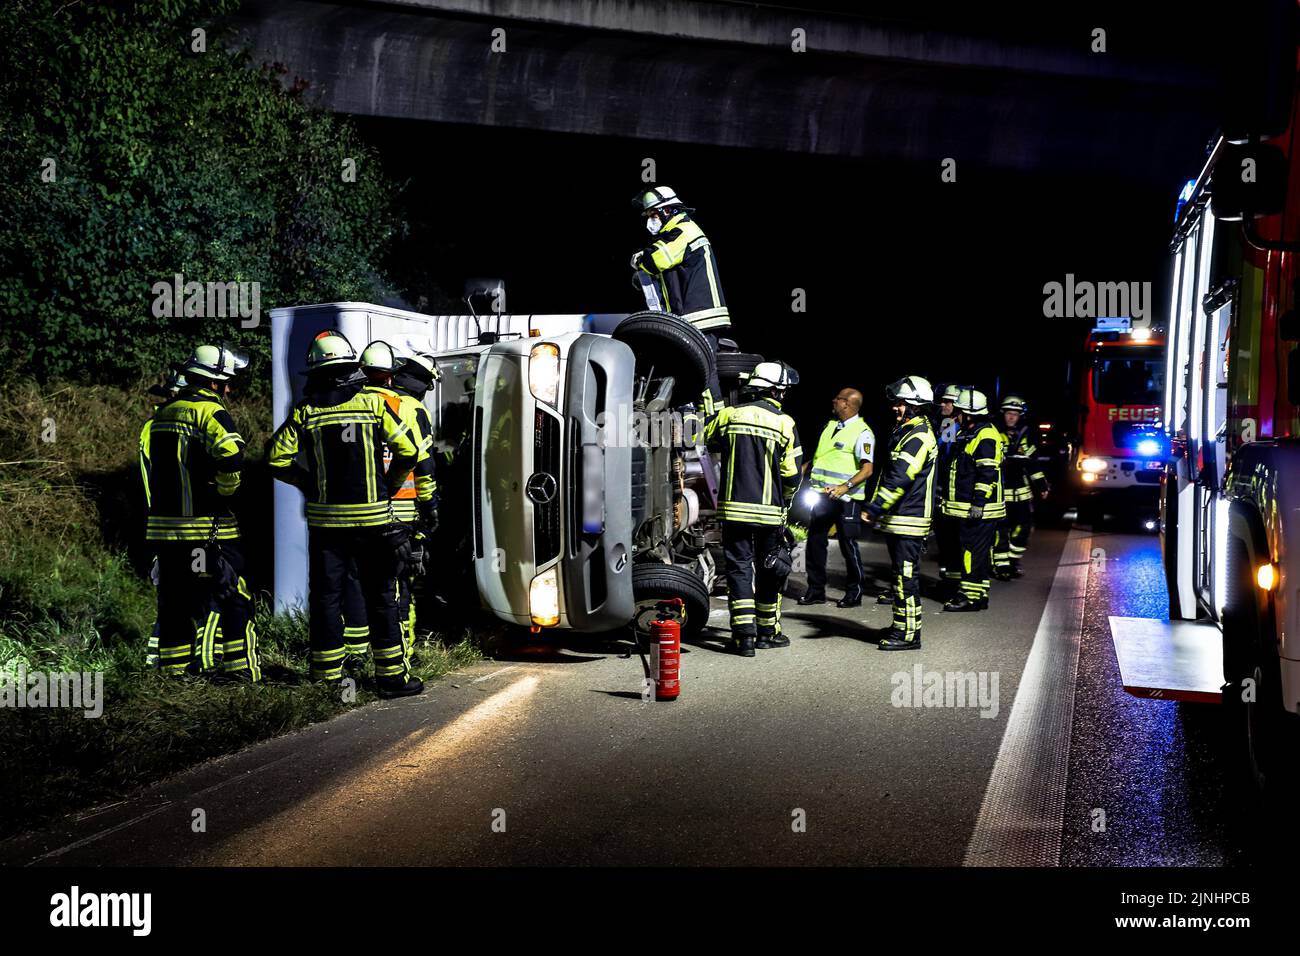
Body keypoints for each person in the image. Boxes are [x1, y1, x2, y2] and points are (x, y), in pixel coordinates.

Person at [267, 330, 423, 698]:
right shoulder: (372, 406)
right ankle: (390, 679)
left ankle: (326, 679)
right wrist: (388, 482)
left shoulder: (306, 412)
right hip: (375, 524)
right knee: (382, 596)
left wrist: (307, 483)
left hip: (327, 526)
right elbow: (409, 451)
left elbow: (276, 459)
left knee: (327, 597)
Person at [141, 343, 261, 681]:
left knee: (176, 602)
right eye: (227, 382)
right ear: (214, 383)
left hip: (166, 532)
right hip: (207, 530)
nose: (229, 389)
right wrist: (226, 489)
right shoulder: (210, 411)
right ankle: (241, 672)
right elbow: (232, 454)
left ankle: (175, 674)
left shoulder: (163, 414)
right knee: (232, 596)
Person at [704, 361, 802, 656]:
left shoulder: (728, 415)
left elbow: (708, 441)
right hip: (770, 513)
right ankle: (767, 634)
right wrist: (786, 500)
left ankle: (744, 638)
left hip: (734, 511)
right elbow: (792, 475)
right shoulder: (785, 423)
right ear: (775, 391)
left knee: (738, 570)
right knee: (770, 569)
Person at [359, 341, 440, 656]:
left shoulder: (358, 401)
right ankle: (401, 648)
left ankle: (361, 647)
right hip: (402, 509)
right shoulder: (413, 408)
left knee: (364, 580)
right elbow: (423, 462)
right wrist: (431, 505)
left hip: (360, 510)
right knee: (400, 581)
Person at [631, 185, 729, 412]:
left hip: (700, 315)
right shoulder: (675, 234)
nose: (650, 220)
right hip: (690, 316)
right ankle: (695, 417)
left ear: (668, 211)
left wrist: (638, 260)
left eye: (653, 214)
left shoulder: (684, 230)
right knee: (690, 370)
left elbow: (656, 260)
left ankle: (711, 420)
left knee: (702, 371)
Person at [863, 376, 938, 650]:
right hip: (902, 520)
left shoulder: (918, 436)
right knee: (901, 578)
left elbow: (900, 477)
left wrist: (875, 506)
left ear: (916, 406)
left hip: (909, 520)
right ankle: (904, 626)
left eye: (901, 403)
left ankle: (908, 636)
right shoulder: (907, 432)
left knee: (905, 578)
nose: (895, 407)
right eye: (896, 403)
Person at [798, 387, 874, 607]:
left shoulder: (863, 432)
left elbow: (867, 469)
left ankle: (855, 592)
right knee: (815, 542)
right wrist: (803, 468)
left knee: (848, 545)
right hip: (822, 496)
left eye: (838, 398)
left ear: (847, 404)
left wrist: (844, 486)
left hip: (847, 499)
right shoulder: (831, 426)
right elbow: (824, 456)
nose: (833, 401)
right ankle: (815, 590)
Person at [939, 388, 1005, 612]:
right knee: (974, 552)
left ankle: (970, 597)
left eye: (959, 410)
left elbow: (987, 472)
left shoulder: (985, 435)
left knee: (971, 552)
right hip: (966, 506)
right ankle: (979, 594)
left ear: (969, 413)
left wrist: (978, 502)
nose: (955, 414)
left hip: (980, 508)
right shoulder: (971, 431)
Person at [993, 395, 1049, 580]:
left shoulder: (1025, 434)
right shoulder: (993, 432)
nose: (1011, 417)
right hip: (1000, 493)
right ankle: (1001, 567)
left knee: (1023, 529)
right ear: (1003, 414)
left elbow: (1032, 464)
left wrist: (1042, 485)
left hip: (1022, 494)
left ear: (1020, 416)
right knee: (1001, 531)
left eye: (1015, 414)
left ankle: (1013, 561)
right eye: (1008, 413)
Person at [932, 382, 964, 594]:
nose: (942, 405)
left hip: (955, 494)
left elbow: (945, 458)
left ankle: (954, 584)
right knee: (946, 540)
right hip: (945, 492)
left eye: (948, 401)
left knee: (953, 540)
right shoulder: (945, 424)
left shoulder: (952, 426)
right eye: (942, 401)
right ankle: (949, 581)